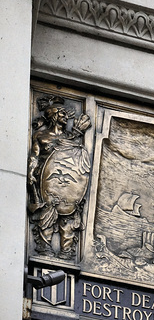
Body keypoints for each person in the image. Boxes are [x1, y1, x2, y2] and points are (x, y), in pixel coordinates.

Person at [27, 95, 91, 258]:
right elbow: (35, 156)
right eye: (62, 114)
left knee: (68, 215)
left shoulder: (70, 137)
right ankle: (44, 247)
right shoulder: (41, 136)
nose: (66, 117)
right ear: (54, 115)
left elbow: (76, 160)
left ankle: (67, 250)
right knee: (48, 213)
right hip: (47, 181)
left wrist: (77, 133)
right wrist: (30, 172)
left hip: (68, 184)